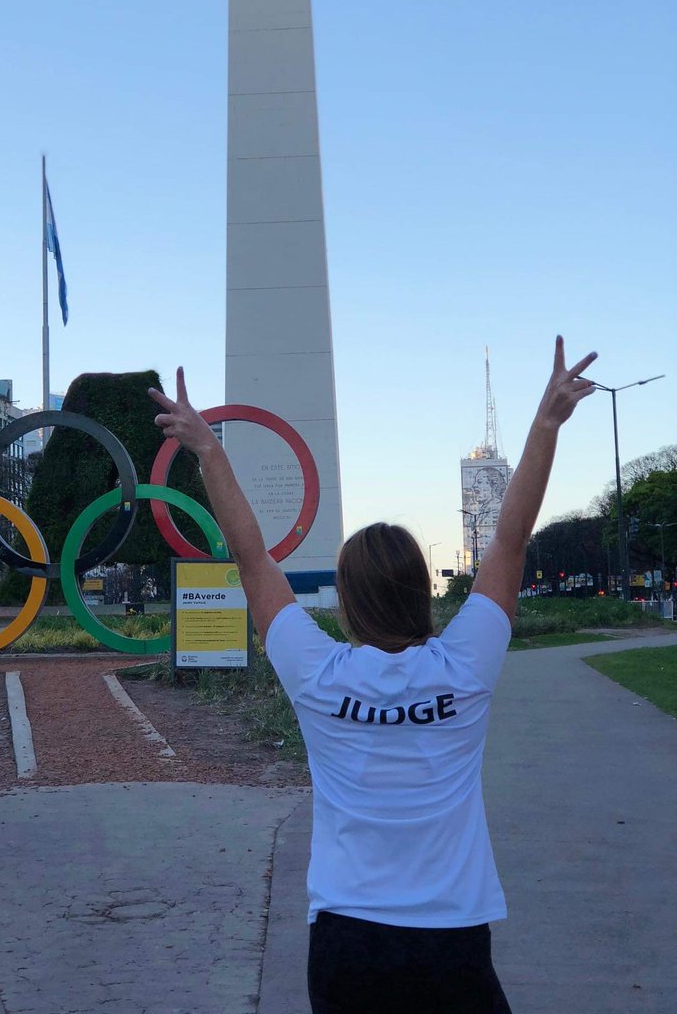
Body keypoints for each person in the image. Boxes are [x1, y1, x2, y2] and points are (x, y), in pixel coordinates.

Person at [150, 336, 597, 1014]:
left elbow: (251, 559)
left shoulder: (318, 673)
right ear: (423, 591)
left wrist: (209, 452)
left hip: (347, 943)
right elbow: (510, 539)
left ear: (348, 603)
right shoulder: (466, 664)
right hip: (453, 941)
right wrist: (545, 424)